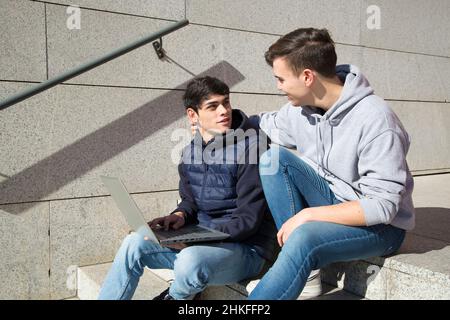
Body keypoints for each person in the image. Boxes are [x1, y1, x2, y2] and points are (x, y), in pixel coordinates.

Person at [246, 28, 415, 300]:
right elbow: (264, 125)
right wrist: (223, 123)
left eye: (280, 79)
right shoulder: (300, 111)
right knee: (274, 160)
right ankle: (308, 275)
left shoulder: (377, 120)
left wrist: (308, 215)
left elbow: (383, 206)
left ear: (307, 77)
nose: (278, 86)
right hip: (335, 200)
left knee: (304, 236)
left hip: (383, 227)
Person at [98, 76, 277, 300]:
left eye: (226, 102)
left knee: (190, 260)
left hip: (245, 250)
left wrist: (199, 238)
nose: (224, 111)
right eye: (213, 106)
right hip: (200, 243)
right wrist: (179, 215)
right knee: (134, 243)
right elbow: (190, 201)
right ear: (193, 115)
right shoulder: (189, 152)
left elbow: (248, 220)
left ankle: (175, 296)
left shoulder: (252, 147)